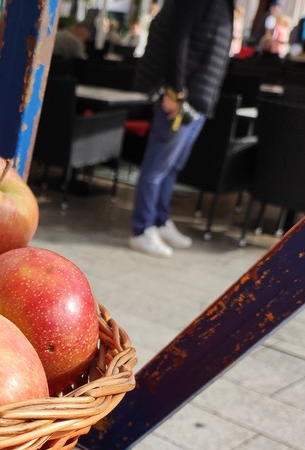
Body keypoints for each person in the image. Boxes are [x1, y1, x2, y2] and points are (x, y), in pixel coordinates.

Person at [128, 0, 234, 258]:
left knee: (171, 167)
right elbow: (179, 39)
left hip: (198, 99)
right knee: (157, 167)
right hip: (182, 98)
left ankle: (160, 220)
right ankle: (142, 229)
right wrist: (176, 90)